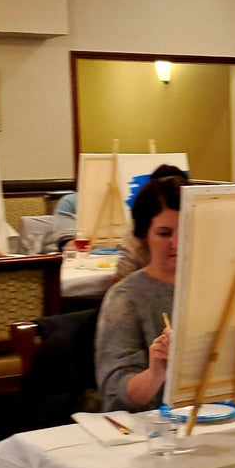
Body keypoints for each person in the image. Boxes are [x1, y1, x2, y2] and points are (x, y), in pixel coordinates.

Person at [93, 171, 183, 412]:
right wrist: (155, 374)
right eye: (164, 234)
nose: (177, 242)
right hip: (154, 429)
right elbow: (115, 393)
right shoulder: (126, 297)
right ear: (144, 235)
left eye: (187, 229)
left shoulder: (217, 288)